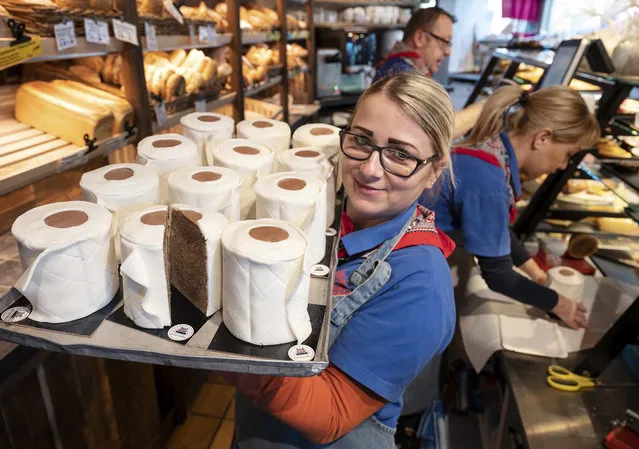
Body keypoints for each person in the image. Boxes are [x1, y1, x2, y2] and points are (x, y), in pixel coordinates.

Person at [223, 72, 457, 448]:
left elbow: (329, 413)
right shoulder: (328, 214)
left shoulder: (420, 284)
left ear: (435, 170)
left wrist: (224, 346)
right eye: (362, 141)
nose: (369, 169)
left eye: (400, 154)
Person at [431, 85, 601, 329]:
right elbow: (498, 275)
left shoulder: (492, 147)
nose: (563, 165)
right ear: (543, 138)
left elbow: (495, 226)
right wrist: (558, 304)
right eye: (568, 154)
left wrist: (537, 274)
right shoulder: (489, 181)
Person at [373, 7, 483, 140]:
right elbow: (439, 131)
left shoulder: (397, 64)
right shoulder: (403, 75)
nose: (448, 52)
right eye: (444, 42)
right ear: (420, 38)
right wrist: (485, 108)